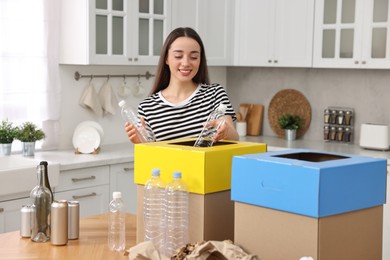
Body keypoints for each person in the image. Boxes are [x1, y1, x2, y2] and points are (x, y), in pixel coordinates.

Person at [124, 27, 239, 143]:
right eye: (178, 56)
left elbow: (234, 137)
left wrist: (227, 131)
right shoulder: (147, 108)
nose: (185, 63)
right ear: (166, 59)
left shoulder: (215, 94)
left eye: (194, 57)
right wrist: (140, 144)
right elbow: (150, 156)